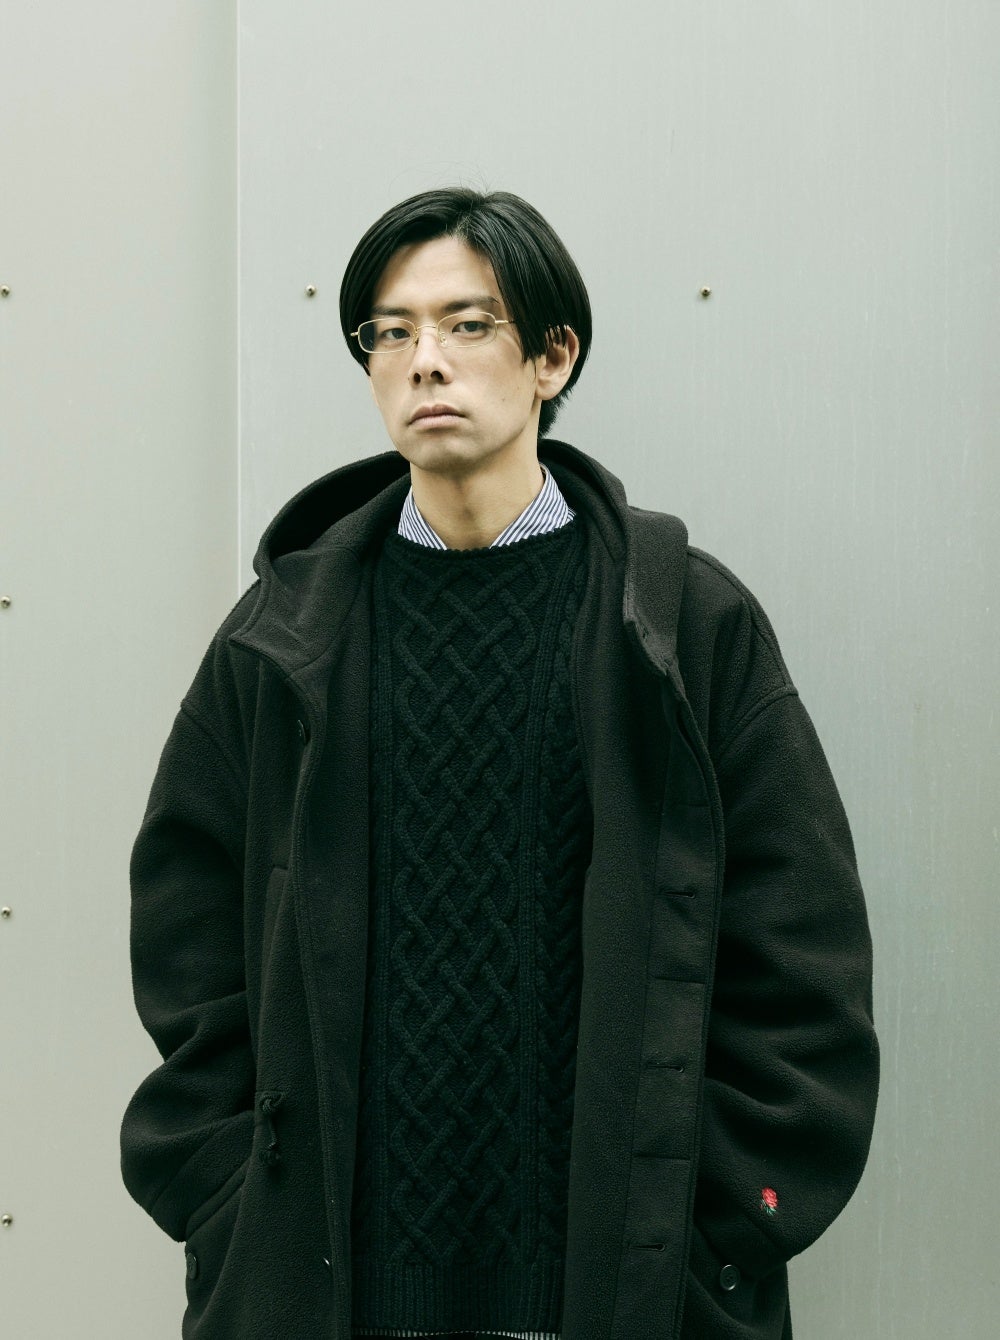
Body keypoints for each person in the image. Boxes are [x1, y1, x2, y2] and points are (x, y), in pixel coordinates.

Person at [121, 188, 878, 1340]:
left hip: (619, 1291)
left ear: (551, 356)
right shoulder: (283, 637)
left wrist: (715, 1216)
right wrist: (229, 1196)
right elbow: (186, 940)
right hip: (332, 1299)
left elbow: (802, 947)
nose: (423, 359)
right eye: (390, 331)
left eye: (467, 323)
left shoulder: (681, 623)